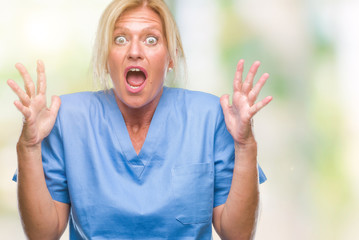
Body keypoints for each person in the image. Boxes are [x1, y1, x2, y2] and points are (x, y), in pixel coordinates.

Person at [7, 0, 272, 239]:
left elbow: (238, 235)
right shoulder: (66, 119)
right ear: (105, 56)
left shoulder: (211, 117)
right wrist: (28, 146)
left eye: (151, 39)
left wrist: (245, 146)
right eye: (120, 39)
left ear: (172, 57)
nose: (134, 51)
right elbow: (42, 234)